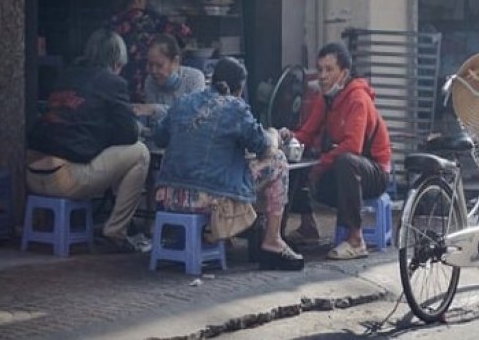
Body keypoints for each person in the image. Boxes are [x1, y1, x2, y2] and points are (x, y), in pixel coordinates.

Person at [152, 57, 303, 271]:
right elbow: (264, 147)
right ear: (239, 89)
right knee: (278, 161)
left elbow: (159, 136)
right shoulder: (235, 107)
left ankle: (213, 236)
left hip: (169, 197)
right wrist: (274, 135)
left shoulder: (183, 102)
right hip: (207, 200)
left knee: (231, 172)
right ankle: (272, 240)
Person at [26, 29, 152, 253]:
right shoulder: (112, 82)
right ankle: (116, 230)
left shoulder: (66, 75)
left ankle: (47, 222)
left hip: (32, 175)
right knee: (140, 152)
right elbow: (129, 134)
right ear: (116, 61)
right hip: (66, 178)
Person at [279, 42, 391, 260]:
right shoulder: (326, 98)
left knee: (345, 161)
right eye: (320, 69)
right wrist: (288, 137)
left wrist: (321, 165)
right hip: (349, 168)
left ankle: (356, 240)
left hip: (375, 172)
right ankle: (307, 227)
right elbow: (307, 133)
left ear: (344, 73)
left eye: (329, 70)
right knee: (298, 164)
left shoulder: (358, 99)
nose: (322, 76)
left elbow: (353, 146)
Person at [110, 0, 191, 103]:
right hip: (148, 83)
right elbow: (184, 31)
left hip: (120, 85)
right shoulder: (153, 20)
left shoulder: (113, 23)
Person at [134, 33, 205, 122]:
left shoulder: (194, 78)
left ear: (175, 61)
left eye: (159, 65)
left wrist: (156, 109)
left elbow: (194, 116)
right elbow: (153, 121)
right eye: (150, 64)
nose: (153, 70)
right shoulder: (150, 81)